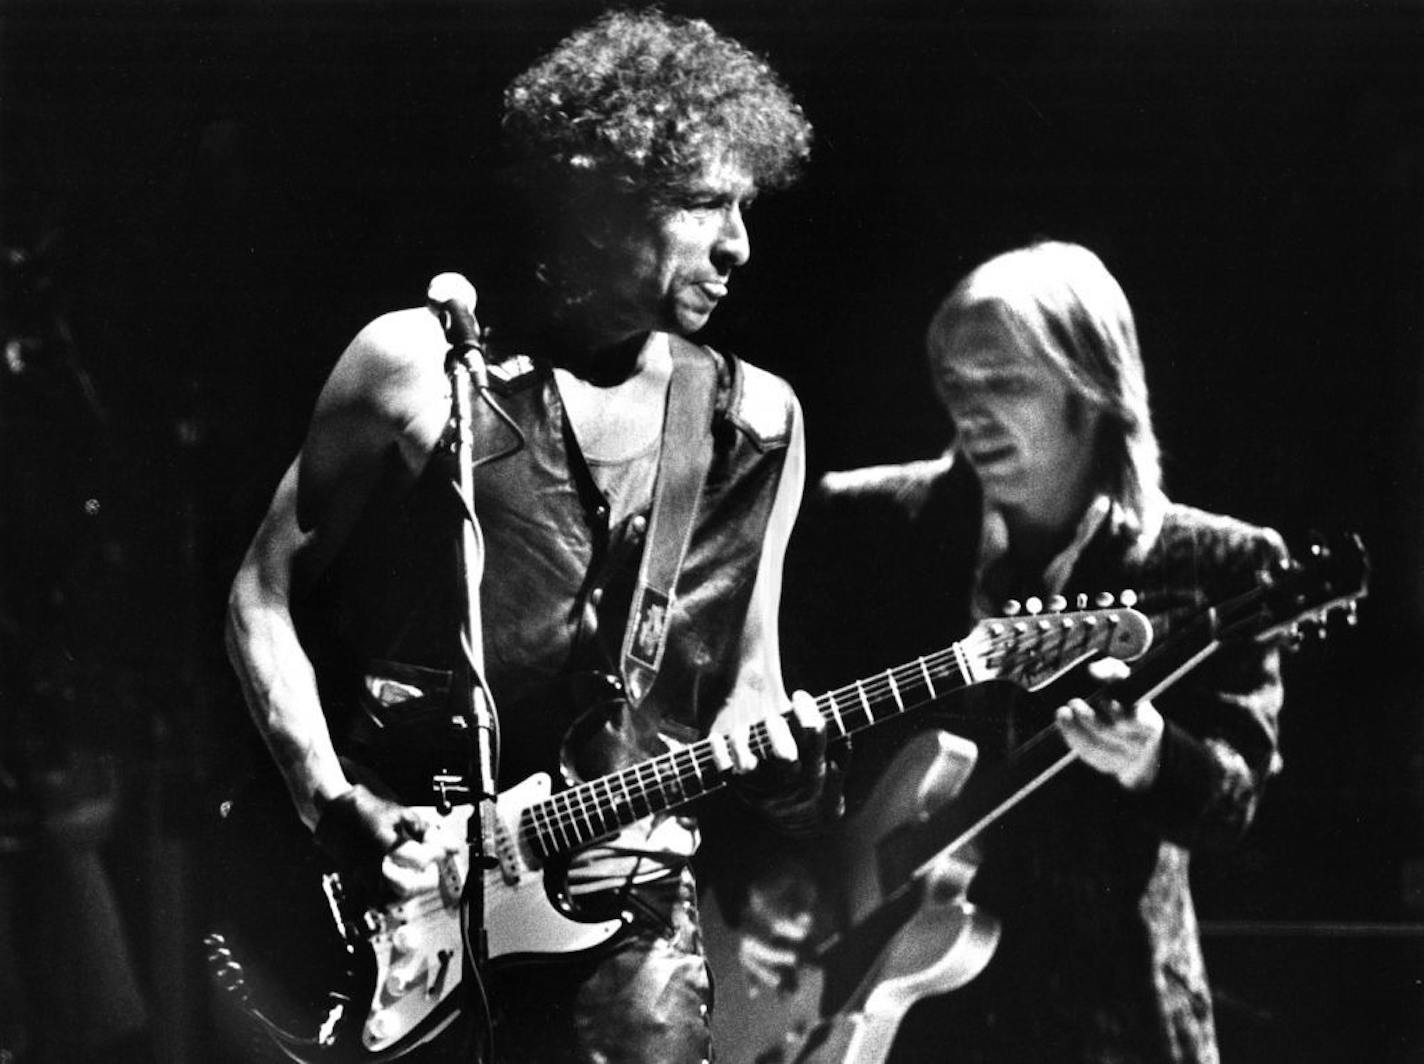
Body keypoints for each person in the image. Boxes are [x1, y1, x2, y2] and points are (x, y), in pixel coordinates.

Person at [224, 10, 833, 1063]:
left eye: (744, 204)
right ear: (597, 199)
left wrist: (792, 769)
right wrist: (331, 802)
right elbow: (261, 596)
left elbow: (748, 689)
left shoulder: (756, 423)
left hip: (627, 934)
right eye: (703, 205)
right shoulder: (421, 366)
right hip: (409, 905)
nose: (740, 245)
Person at [736, 240, 1289, 1063]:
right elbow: (777, 731)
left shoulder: (1218, 565)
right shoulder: (871, 525)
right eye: (957, 384)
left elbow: (1234, 800)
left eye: (1006, 383)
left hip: (1107, 1020)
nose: (971, 412)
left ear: (1093, 387)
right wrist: (781, 871)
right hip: (879, 1018)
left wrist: (1148, 755)